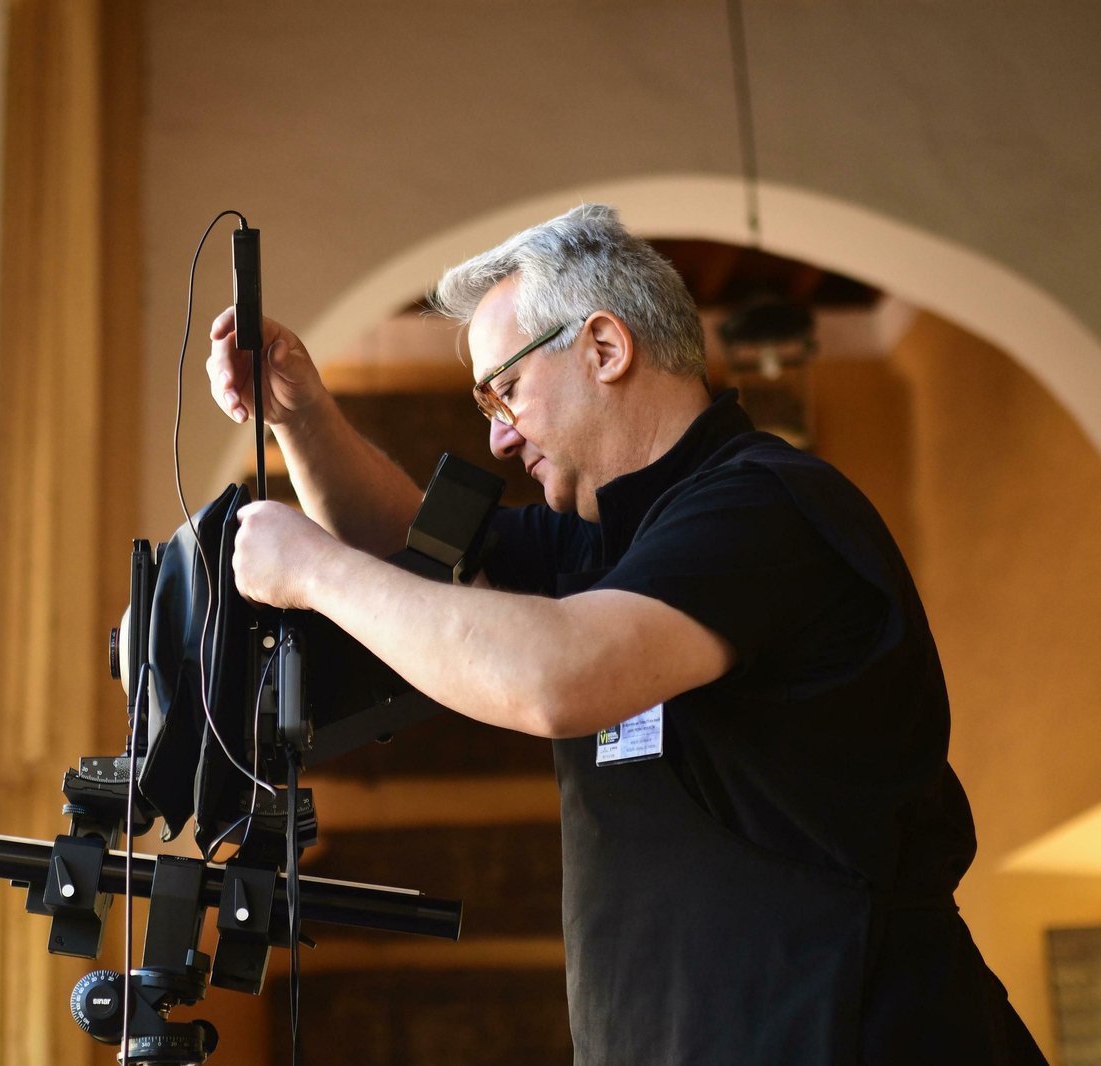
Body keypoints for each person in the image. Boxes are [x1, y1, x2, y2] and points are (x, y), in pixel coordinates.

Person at [205, 205, 1047, 1065]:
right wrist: (298, 414)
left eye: (507, 390)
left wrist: (311, 574)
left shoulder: (762, 503)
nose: (496, 434)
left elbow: (559, 676)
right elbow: (407, 550)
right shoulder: (605, 545)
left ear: (605, 348)